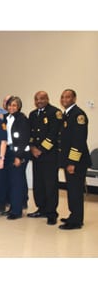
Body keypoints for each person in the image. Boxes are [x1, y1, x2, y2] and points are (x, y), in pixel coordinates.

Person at [28, 91, 63, 225]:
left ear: (47, 99)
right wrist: (32, 148)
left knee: (50, 185)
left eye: (42, 99)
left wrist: (41, 149)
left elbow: (53, 134)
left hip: (49, 156)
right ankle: (41, 208)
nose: (39, 101)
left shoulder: (55, 113)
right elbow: (30, 134)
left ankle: (51, 213)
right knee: (39, 184)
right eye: (36, 99)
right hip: (36, 155)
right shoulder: (33, 114)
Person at [58, 89, 91, 230]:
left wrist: (72, 162)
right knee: (71, 190)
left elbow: (78, 141)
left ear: (74, 99)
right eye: (63, 97)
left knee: (76, 191)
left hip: (76, 162)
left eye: (68, 97)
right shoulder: (67, 114)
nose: (65, 99)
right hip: (68, 161)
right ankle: (73, 215)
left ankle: (77, 221)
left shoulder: (78, 115)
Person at [3, 96, 30, 220]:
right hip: (7, 151)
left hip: (17, 153)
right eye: (10, 105)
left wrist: (18, 157)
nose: (11, 107)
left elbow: (23, 139)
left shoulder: (22, 119)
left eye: (14, 105)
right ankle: (12, 207)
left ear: (19, 107)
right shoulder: (5, 118)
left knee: (16, 183)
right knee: (9, 181)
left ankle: (17, 210)